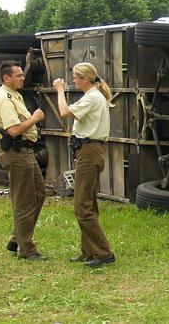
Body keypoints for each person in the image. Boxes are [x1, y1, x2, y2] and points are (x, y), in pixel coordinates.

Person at [54, 62, 116, 267]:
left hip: (89, 152)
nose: (73, 80)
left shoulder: (92, 97)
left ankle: (103, 253)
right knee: (88, 202)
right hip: (88, 150)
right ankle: (89, 250)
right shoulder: (95, 96)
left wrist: (60, 90)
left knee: (82, 205)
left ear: (85, 79)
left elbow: (64, 112)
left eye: (75, 77)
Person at [0, 61, 47, 260]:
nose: (23, 78)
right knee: (24, 200)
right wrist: (35, 118)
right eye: (18, 75)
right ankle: (26, 249)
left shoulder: (15, 95)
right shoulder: (5, 98)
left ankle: (18, 238)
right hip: (17, 151)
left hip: (25, 151)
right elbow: (13, 130)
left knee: (39, 193)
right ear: (7, 78)